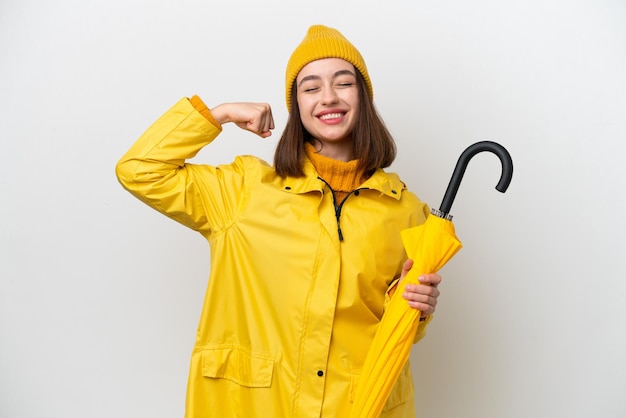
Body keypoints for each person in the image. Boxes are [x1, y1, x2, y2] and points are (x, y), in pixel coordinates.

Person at [116, 24, 443, 418]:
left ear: (363, 97)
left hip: (357, 406)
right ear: (296, 105)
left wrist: (418, 310)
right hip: (257, 405)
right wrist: (219, 114)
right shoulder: (243, 191)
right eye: (310, 87)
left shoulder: (407, 211)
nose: (328, 98)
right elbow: (139, 169)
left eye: (344, 83)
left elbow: (398, 327)